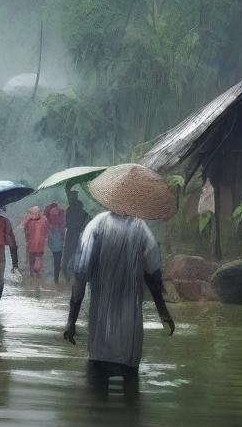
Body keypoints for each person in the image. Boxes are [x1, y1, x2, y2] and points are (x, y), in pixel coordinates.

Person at [63, 163, 176, 394]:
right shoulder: (141, 230)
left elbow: (81, 275)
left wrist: (71, 321)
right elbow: (153, 274)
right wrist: (163, 312)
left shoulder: (96, 226)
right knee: (131, 401)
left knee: (97, 401)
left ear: (110, 196)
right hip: (129, 337)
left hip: (100, 336)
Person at [62, 186, 91, 280]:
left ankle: (67, 275)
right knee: (77, 254)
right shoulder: (83, 212)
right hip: (78, 235)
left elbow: (66, 224)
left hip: (71, 235)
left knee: (68, 255)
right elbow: (88, 219)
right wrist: (82, 229)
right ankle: (76, 275)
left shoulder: (70, 210)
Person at [20, 205, 49, 279]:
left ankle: (35, 275)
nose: (34, 214)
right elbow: (23, 228)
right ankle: (33, 275)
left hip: (37, 244)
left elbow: (46, 231)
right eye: (33, 213)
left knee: (36, 259)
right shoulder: (30, 220)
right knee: (33, 260)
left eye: (35, 213)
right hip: (32, 244)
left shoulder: (42, 220)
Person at [44, 200, 66, 283]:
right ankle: (56, 276)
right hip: (58, 237)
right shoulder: (61, 213)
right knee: (57, 258)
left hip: (53, 238)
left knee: (55, 257)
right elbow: (63, 226)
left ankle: (55, 277)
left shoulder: (48, 215)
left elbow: (47, 227)